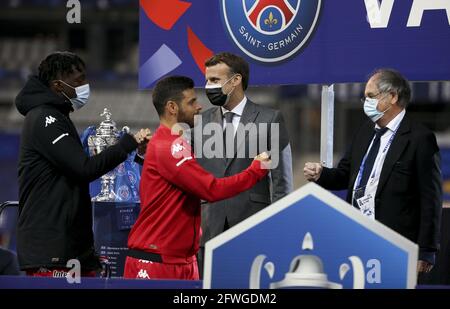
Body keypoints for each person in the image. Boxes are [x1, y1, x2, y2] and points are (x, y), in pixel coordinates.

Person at [15, 51, 150, 277]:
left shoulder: (57, 115)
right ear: (58, 85)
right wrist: (127, 143)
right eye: (78, 81)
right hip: (51, 248)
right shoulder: (44, 118)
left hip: (70, 246)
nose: (85, 86)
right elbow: (84, 168)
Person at [123, 75, 271, 280]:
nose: (199, 107)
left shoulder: (171, 143)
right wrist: (257, 170)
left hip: (181, 260)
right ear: (172, 107)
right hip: (156, 261)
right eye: (191, 102)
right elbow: (211, 189)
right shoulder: (170, 146)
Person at [304, 68, 442, 275]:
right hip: (357, 237)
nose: (365, 102)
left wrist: (426, 251)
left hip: (397, 243)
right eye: (364, 97)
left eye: (370, 96)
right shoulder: (364, 131)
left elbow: (430, 199)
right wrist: (321, 174)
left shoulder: (420, 138)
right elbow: (345, 174)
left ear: (393, 96)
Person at [196, 52, 293, 275]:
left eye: (214, 80)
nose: (208, 86)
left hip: (253, 225)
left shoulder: (270, 118)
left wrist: (278, 228)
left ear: (236, 80)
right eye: (207, 80)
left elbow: (282, 182)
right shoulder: (201, 122)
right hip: (209, 226)